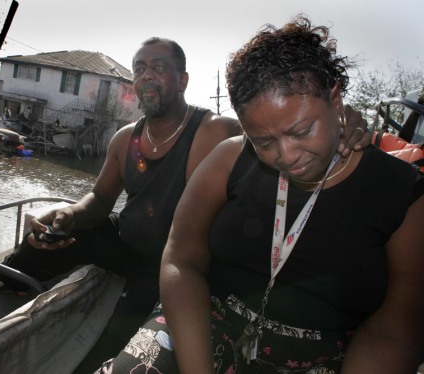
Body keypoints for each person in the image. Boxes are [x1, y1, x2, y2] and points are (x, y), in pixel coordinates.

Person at [0, 36, 370, 372]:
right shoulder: (126, 137)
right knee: (53, 234)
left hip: (171, 262)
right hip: (126, 244)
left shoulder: (214, 131)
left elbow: (272, 133)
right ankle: (7, 278)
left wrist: (342, 117)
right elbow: (98, 199)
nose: (146, 75)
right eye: (139, 67)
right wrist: (68, 215)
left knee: (120, 332)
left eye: (158, 67)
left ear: (182, 80)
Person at [98, 17, 424, 374]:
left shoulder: (402, 195)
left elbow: (393, 327)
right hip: (206, 323)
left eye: (302, 131)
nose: (286, 155)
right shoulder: (230, 158)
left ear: (335, 98)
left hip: (322, 357)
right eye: (264, 142)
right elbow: (181, 258)